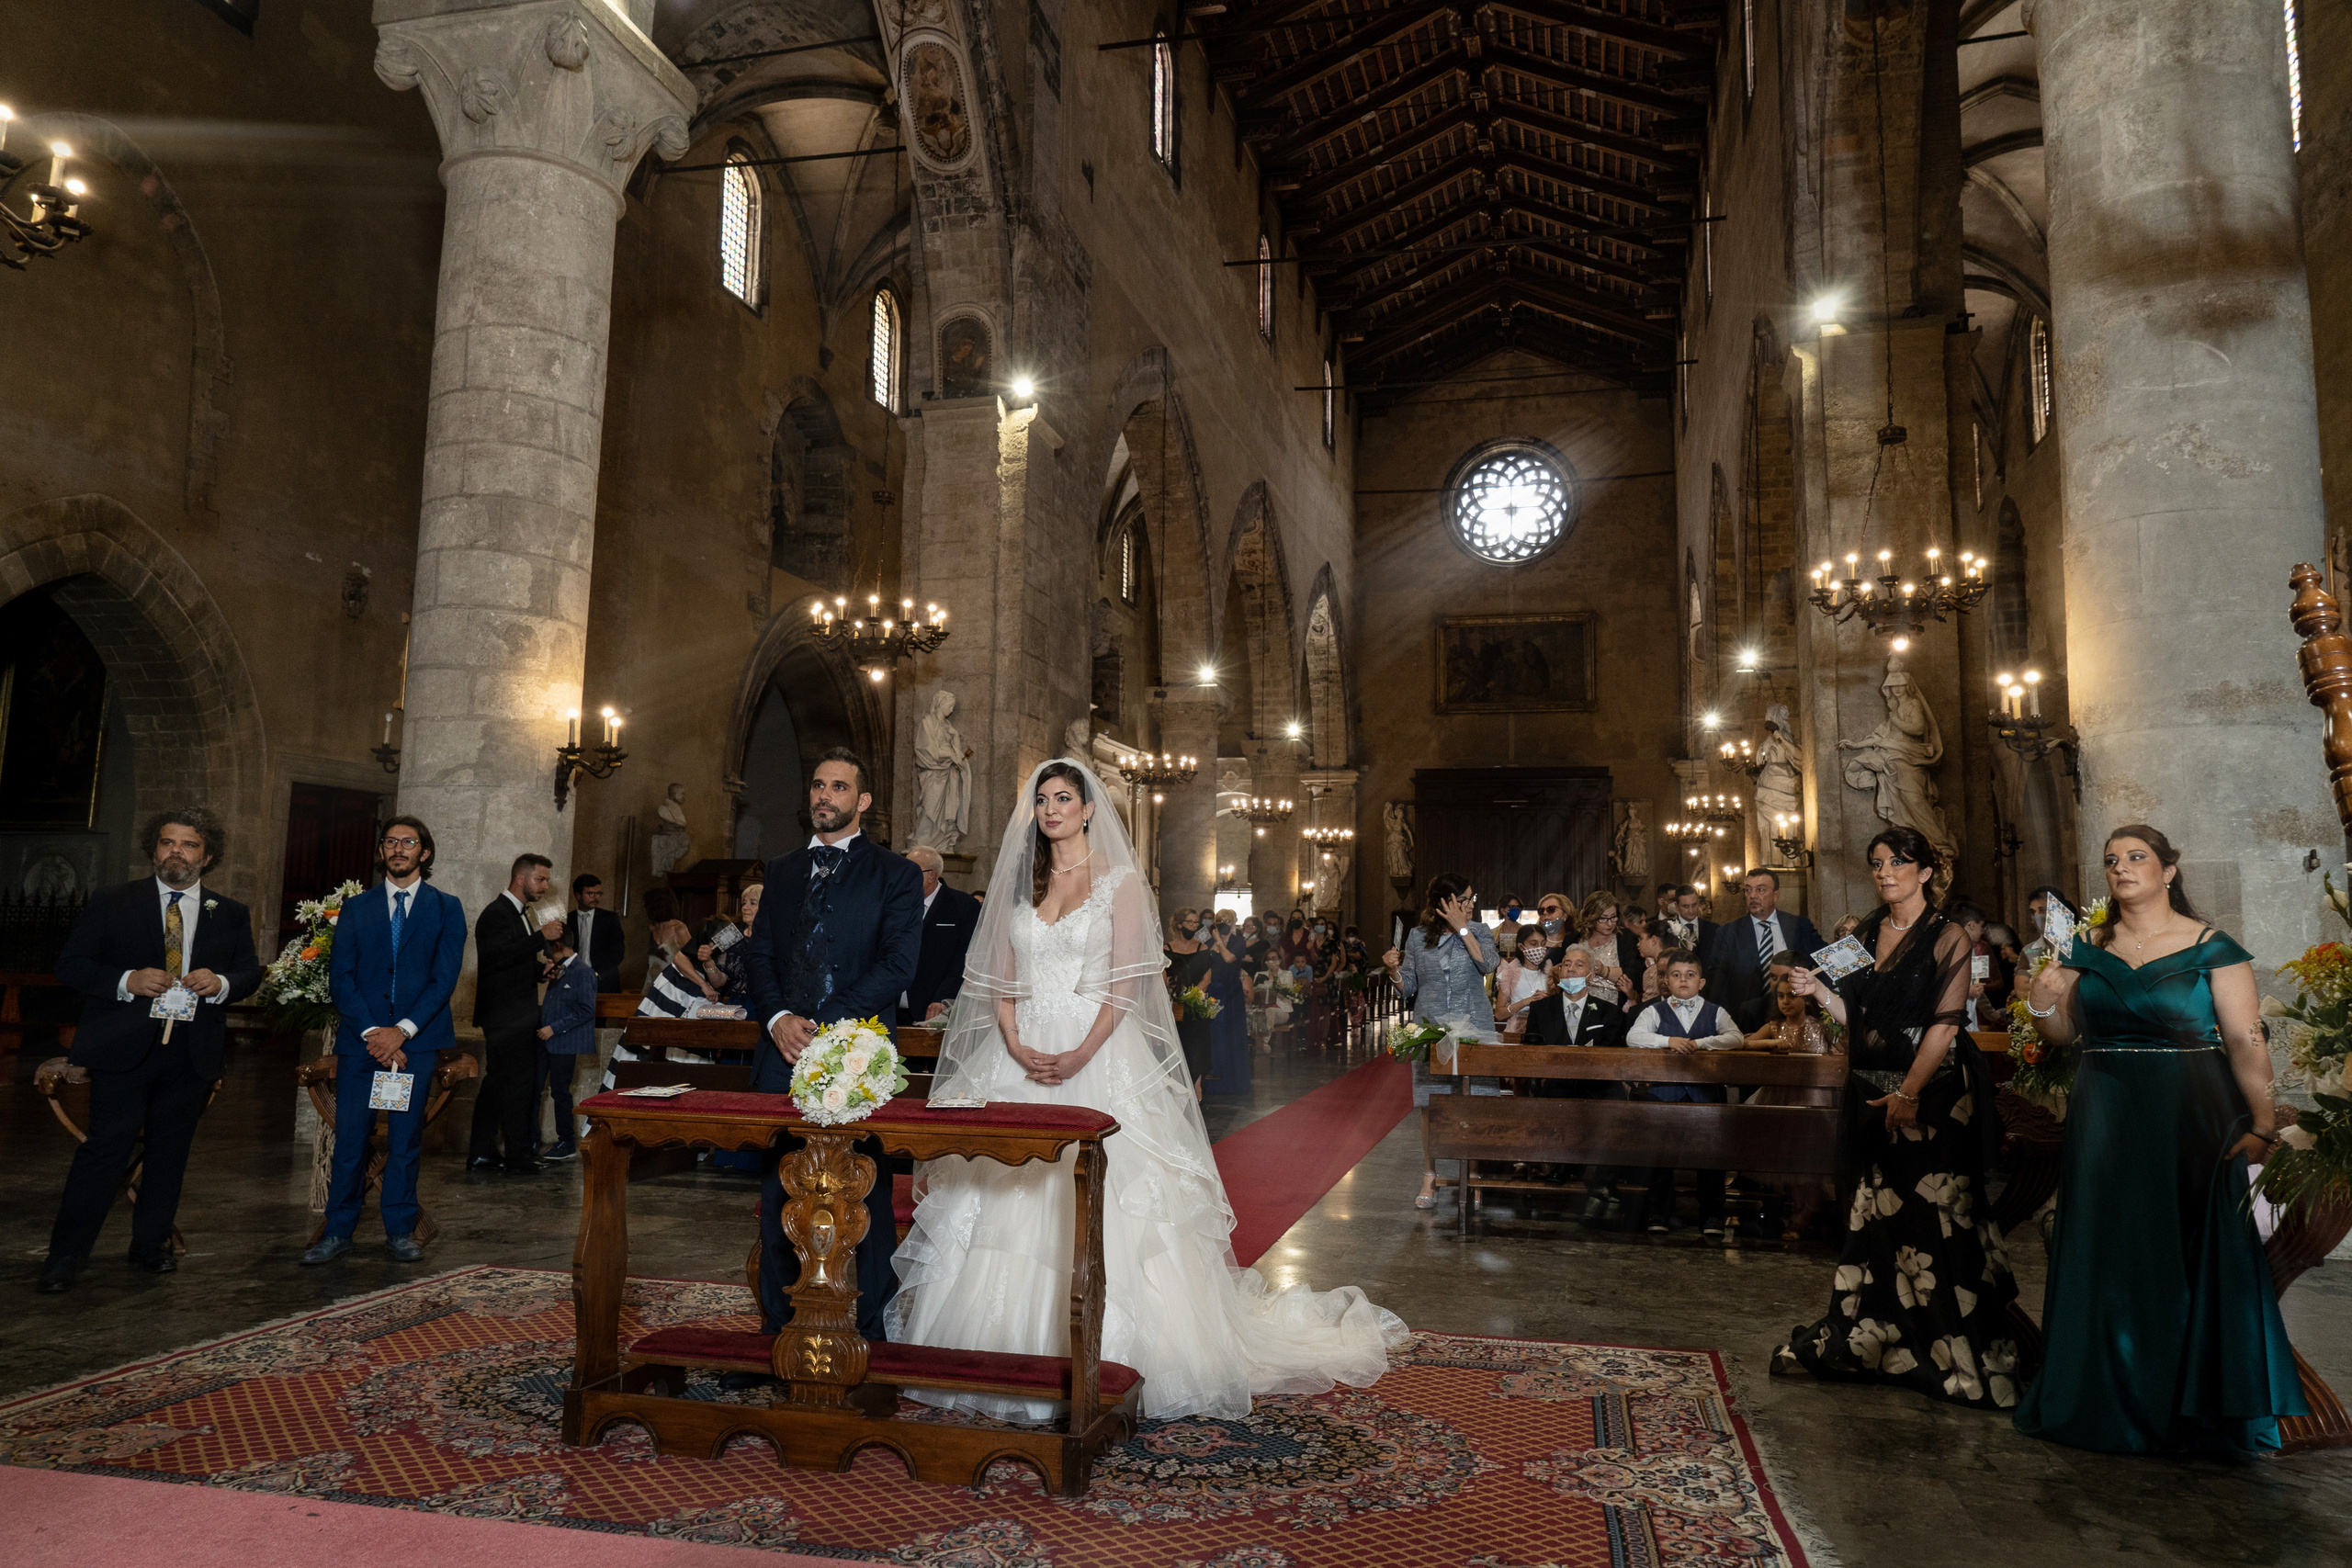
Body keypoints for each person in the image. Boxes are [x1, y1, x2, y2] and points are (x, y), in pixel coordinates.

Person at [890, 757, 1403, 1420]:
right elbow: (1000, 976)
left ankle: (1119, 1352)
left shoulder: (1120, 882)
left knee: (1108, 1200)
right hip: (1017, 1053)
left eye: (1064, 797)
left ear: (1088, 808)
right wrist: (1013, 1039)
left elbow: (1126, 985)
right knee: (999, 1197)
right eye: (1042, 799)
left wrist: (1079, 1050)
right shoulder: (1024, 883)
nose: (1051, 809)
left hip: (1096, 1051)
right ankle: (993, 1350)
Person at [2012, 825, 2305, 1453]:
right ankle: (2101, 1400)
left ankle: (2190, 1408)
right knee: (2107, 1251)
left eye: (2137, 856)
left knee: (2179, 1255)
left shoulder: (2211, 946)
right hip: (2103, 1112)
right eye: (2112, 859)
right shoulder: (2085, 945)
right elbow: (2063, 1034)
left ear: (2170, 869)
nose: (2122, 867)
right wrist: (2042, 1001)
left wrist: (2259, 1122)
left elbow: (2246, 1040)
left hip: (2190, 1114)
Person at [1774, 827, 2019, 1409]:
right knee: (1874, 1218)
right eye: (1878, 863)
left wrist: (1909, 1091)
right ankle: (1880, 1335)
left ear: (1926, 872)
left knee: (1935, 1221)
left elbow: (1944, 1025)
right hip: (1868, 1089)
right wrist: (1818, 991)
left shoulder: (1949, 936)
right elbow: (1851, 1013)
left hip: (1932, 1097)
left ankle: (1952, 1350)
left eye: (1898, 863)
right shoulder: (1863, 932)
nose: (1885, 873)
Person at [37, 809, 266, 1292]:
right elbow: (72, 965)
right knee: (104, 1152)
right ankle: (65, 1256)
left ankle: (149, 1246)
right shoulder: (113, 901)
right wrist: (127, 981)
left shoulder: (229, 912)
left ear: (208, 856)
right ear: (154, 849)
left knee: (169, 1156)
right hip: (122, 1050)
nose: (175, 852)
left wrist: (221, 981)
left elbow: (249, 973)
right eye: (167, 843)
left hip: (189, 1053)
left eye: (188, 845)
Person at [743, 747, 923, 1342]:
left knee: (860, 1192)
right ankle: (777, 1328)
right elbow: (761, 953)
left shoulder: (894, 874)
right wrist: (776, 1018)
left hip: (856, 1053)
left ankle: (870, 1333)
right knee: (778, 1196)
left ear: (862, 801)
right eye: (818, 785)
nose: (825, 796)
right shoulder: (783, 868)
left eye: (839, 787)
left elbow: (897, 963)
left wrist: (823, 1022)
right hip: (781, 1052)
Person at [302, 816, 466, 1267]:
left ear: (424, 852)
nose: (398, 849)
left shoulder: (447, 907)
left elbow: (444, 978)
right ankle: (337, 1232)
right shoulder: (357, 908)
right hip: (362, 1043)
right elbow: (343, 978)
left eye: (408, 842)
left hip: (417, 1042)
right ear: (381, 853)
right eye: (390, 842)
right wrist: (375, 1032)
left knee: (405, 1140)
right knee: (351, 1140)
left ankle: (399, 1230)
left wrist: (403, 1032)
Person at [1385, 872, 1502, 1210]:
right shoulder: (1417, 936)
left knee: (1475, 1101)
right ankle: (1429, 1175)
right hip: (1431, 1027)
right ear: (1443, 903)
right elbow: (1409, 986)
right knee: (1431, 1105)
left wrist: (1463, 927)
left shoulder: (1479, 931)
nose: (1469, 905)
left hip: (1474, 1025)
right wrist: (1394, 971)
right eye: (1462, 900)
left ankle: (1474, 1175)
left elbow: (1488, 964)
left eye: (1470, 899)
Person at [1623, 949, 1742, 1236]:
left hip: (1706, 1095)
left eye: (1690, 975)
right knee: (1661, 1156)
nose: (1683, 980)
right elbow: (1633, 1037)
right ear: (1666, 980)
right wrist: (1668, 1040)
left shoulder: (1716, 1012)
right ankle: (1659, 1212)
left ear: (1701, 982)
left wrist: (1702, 1044)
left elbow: (1736, 1038)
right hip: (1663, 1094)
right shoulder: (1654, 1011)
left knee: (1709, 1156)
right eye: (1676, 975)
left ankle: (1712, 1215)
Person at [469, 852, 562, 1174]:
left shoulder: (519, 913)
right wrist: (541, 937)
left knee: (500, 1084)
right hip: (504, 1016)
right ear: (521, 878)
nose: (545, 886)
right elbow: (496, 958)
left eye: (547, 880)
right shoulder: (496, 913)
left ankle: (482, 1153)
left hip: (515, 1013)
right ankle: (518, 1156)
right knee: (517, 1085)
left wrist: (542, 971)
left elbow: (513, 962)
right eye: (541, 879)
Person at [1743, 965, 1839, 1240]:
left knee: (1811, 1160)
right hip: (1780, 1096)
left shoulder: (1820, 1026)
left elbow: (1841, 1049)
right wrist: (1769, 1044)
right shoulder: (1775, 1027)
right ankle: (1797, 1211)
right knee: (1791, 1160)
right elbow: (1742, 1043)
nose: (1786, 1001)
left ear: (1806, 998)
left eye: (1793, 995)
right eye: (1781, 996)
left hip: (1813, 1098)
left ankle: (1806, 1213)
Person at [1711, 869, 1826, 1029]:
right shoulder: (1728, 933)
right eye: (1748, 890)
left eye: (1761, 890)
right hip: (1745, 1022)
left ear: (1776, 895)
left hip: (1796, 1020)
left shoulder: (1800, 926)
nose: (1753, 896)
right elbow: (1716, 984)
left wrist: (1822, 1002)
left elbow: (1826, 964)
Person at [898, 845, 981, 1035]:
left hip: (935, 1008)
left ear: (932, 875)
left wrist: (943, 998)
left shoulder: (963, 906)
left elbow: (964, 958)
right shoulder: (896, 905)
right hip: (894, 1008)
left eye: (910, 872)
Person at [534, 932, 596, 1160]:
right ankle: (532, 1139)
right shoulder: (558, 969)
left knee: (560, 1092)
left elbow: (587, 1010)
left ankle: (567, 1142)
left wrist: (554, 1027)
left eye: (548, 952)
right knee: (535, 1089)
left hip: (564, 1041)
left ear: (558, 945)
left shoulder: (583, 972)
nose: (546, 956)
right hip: (544, 1041)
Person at [1163, 907, 1215, 1094]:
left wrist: (1190, 997)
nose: (1194, 926)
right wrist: (1175, 994)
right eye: (1190, 922)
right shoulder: (1167, 949)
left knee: (1196, 1046)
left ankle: (1197, 1086)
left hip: (1195, 1004)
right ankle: (1175, 1086)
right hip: (1173, 1004)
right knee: (1176, 1044)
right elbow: (1163, 978)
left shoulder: (1203, 948)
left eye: (1196, 923)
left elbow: (1207, 979)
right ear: (1179, 924)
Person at [1205, 911, 1252, 1090]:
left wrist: (1219, 941)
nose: (1224, 923)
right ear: (1215, 923)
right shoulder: (1208, 943)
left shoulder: (1238, 941)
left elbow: (1229, 958)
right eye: (1220, 921)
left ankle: (1234, 1080)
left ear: (1234, 923)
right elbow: (1205, 964)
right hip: (1213, 992)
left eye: (1228, 920)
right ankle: (1214, 1079)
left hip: (1231, 992)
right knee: (1214, 1035)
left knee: (1232, 1035)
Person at [565, 874, 626, 992]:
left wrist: (598, 974)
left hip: (603, 981)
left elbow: (618, 951)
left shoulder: (609, 918)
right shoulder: (568, 920)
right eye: (590, 894)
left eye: (598, 893)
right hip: (574, 980)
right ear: (578, 895)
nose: (596, 897)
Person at [1662, 883, 1718, 960]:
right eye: (1686, 906)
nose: (1691, 910)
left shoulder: (1714, 929)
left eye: (1694, 905)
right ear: (1676, 906)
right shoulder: (1667, 929)